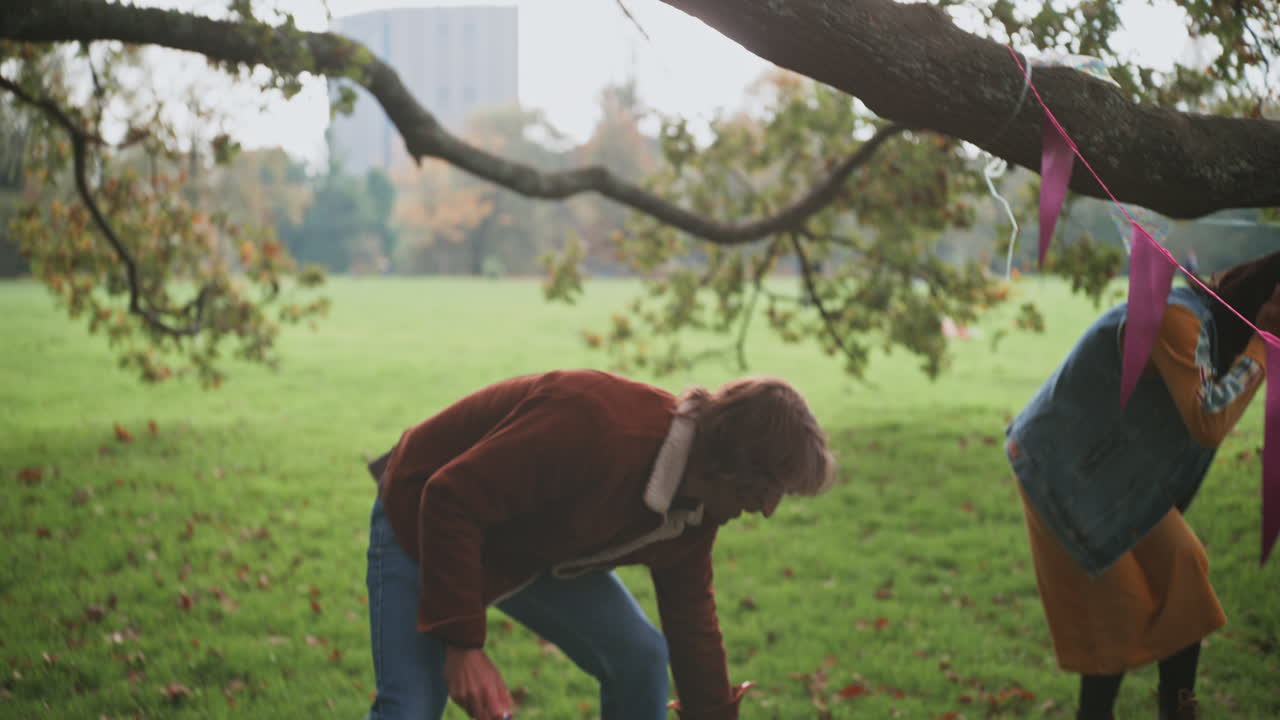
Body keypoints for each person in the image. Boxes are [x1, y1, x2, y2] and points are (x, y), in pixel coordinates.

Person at [362, 369, 836, 720]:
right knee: (410, 710)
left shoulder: (698, 506)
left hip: (524, 545)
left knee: (641, 658)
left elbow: (691, 618)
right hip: (422, 514)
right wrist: (462, 645)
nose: (768, 509)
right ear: (733, 464)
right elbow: (449, 498)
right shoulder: (597, 427)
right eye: (766, 490)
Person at [1005, 250, 1280, 720]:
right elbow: (1208, 419)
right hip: (1059, 466)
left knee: (1184, 570)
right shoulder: (1177, 321)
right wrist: (1264, 344)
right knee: (1115, 614)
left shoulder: (1206, 333)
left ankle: (1178, 709)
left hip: (1112, 474)